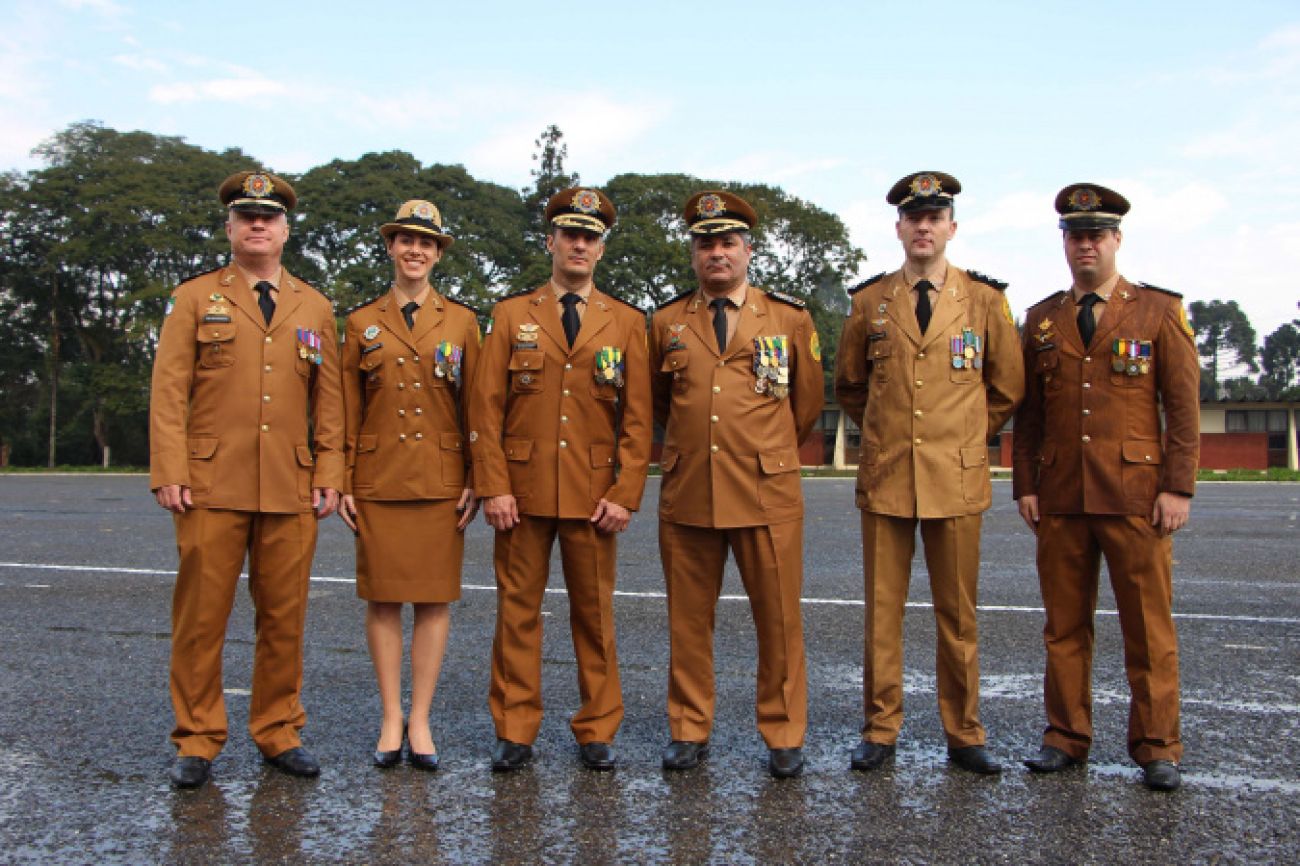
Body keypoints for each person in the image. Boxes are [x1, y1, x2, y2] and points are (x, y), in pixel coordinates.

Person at [150, 170, 344, 789]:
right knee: (202, 616)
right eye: (247, 216)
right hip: (209, 482)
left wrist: (331, 471)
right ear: (231, 228)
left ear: (285, 230)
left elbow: (331, 400)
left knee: (284, 617)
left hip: (290, 482)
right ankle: (198, 737)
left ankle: (279, 730)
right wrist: (171, 469)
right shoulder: (194, 297)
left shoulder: (313, 305)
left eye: (269, 217)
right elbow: (168, 391)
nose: (258, 225)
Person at [834, 171, 1024, 775]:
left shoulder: (986, 302)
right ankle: (880, 729)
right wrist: (893, 435)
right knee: (881, 612)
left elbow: (1006, 388)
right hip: (889, 475)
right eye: (913, 218)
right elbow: (850, 387)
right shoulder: (869, 302)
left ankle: (965, 732)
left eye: (934, 217)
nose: (923, 227)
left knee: (958, 615)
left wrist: (962, 434)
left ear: (951, 228)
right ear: (898, 228)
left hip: (956, 476)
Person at [1013, 183, 1200, 791]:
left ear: (1117, 239)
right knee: (1064, 628)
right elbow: (1031, 414)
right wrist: (1026, 484)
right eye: (1074, 234)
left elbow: (1183, 407)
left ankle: (1157, 745)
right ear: (1064, 243)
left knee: (1148, 628)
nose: (1085, 244)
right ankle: (1065, 737)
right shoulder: (1043, 319)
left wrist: (1178, 488)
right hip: (1062, 496)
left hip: (1136, 498)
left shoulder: (1157, 311)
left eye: (1096, 234)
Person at [468, 187, 651, 772]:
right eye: (569, 234)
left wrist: (625, 493)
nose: (579, 244)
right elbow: (485, 408)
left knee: (594, 616)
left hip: (593, 494)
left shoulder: (625, 321)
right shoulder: (510, 314)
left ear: (601, 249)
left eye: (590, 237)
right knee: (516, 612)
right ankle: (515, 727)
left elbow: (638, 418)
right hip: (518, 495)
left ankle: (596, 727)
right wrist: (493, 484)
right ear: (550, 242)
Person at [649, 190, 823, 779]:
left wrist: (763, 449)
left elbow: (805, 406)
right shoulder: (667, 321)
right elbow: (658, 403)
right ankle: (689, 729)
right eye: (705, 244)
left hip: (765, 491)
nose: (716, 253)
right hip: (690, 489)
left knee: (778, 620)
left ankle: (783, 732)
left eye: (727, 242)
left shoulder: (790, 317)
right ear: (694, 253)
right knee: (688, 621)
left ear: (748, 250)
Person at [337, 200, 480, 771]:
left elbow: (478, 408)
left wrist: (479, 477)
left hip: (443, 480)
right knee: (382, 598)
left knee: (434, 598)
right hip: (378, 477)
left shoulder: (463, 321)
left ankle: (420, 717)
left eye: (426, 242)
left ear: (439, 253)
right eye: (405, 240)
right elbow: (344, 409)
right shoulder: (359, 322)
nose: (415, 250)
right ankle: (389, 716)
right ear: (391, 248)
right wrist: (340, 478)